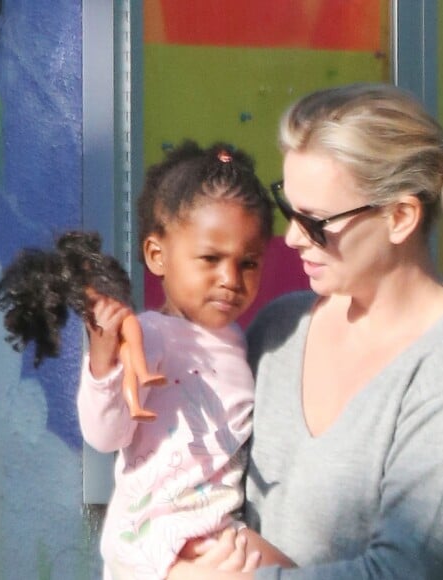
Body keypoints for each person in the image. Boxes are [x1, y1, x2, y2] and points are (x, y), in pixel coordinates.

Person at [168, 83, 443, 579]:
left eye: (315, 222)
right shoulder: (279, 328)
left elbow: (404, 572)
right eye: (287, 208)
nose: (291, 238)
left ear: (400, 216)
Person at [77, 141, 290, 580]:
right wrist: (104, 363)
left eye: (248, 263)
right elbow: (105, 435)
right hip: (158, 543)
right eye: (210, 259)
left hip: (215, 535)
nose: (230, 279)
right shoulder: (151, 337)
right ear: (158, 255)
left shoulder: (238, 341)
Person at [0, 230, 166, 421]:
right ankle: (140, 385)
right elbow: (103, 436)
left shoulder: (139, 323)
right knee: (132, 359)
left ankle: (140, 386)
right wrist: (102, 358)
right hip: (116, 363)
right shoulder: (116, 315)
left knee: (131, 362)